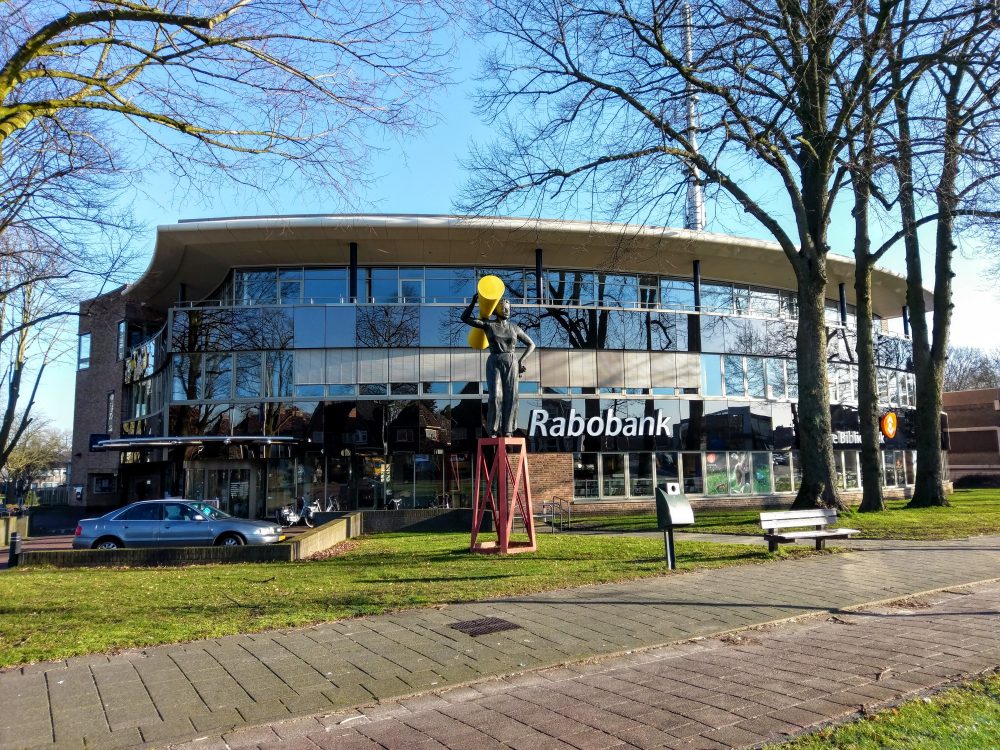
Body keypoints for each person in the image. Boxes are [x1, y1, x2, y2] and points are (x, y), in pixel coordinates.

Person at [461, 292, 536, 437]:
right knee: (495, 396)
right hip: (494, 360)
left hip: (511, 361)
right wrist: (472, 303)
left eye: (508, 308)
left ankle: (508, 429)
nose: (507, 310)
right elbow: (464, 318)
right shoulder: (489, 325)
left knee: (511, 396)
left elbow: (531, 344)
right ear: (496, 310)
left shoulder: (515, 328)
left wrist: (521, 360)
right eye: (503, 307)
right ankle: (493, 429)